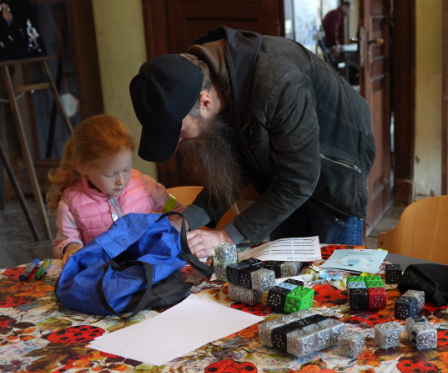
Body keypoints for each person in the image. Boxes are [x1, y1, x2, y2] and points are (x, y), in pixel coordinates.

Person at [129, 27, 375, 258]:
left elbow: (299, 180)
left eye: (179, 133)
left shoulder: (279, 82)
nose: (178, 143)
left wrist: (225, 236)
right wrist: (186, 220)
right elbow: (234, 169)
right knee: (288, 270)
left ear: (205, 104)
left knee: (333, 280)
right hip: (288, 176)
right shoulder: (201, 75)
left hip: (336, 167)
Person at [48, 115, 185, 261]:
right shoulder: (71, 202)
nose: (121, 181)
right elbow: (64, 241)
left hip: (149, 261)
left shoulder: (143, 183)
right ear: (82, 167)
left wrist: (171, 228)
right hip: (105, 270)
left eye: (127, 169)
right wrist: (71, 247)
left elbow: (175, 208)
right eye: (111, 174)